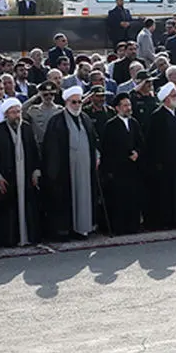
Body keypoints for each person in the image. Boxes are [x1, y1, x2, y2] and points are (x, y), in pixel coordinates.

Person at [42, 86, 100, 240]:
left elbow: (94, 140)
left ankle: (83, 228)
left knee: (84, 196)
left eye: (80, 102)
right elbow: (51, 149)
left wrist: (96, 156)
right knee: (66, 199)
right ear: (67, 102)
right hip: (65, 169)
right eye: (74, 102)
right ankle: (66, 230)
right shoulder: (56, 121)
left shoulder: (86, 118)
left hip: (85, 167)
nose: (77, 105)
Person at [0, 97, 40, 247]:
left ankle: (28, 237)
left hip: (26, 174)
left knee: (28, 207)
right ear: (6, 114)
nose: (17, 115)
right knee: (9, 210)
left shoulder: (27, 128)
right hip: (7, 176)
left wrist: (36, 171)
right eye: (13, 112)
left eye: (18, 112)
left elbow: (35, 151)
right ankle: (11, 239)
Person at [101, 93, 146, 235]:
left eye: (129, 105)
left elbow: (140, 142)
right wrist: (125, 156)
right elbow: (108, 148)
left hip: (133, 168)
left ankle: (133, 226)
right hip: (118, 169)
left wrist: (137, 153)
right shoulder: (111, 125)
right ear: (117, 108)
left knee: (133, 198)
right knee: (119, 200)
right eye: (125, 105)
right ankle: (120, 228)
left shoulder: (134, 122)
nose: (128, 108)